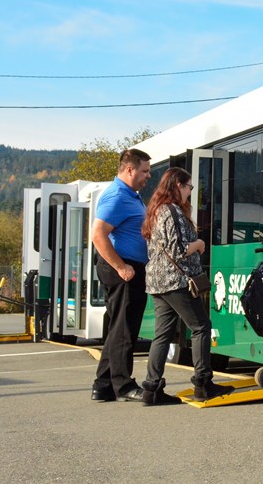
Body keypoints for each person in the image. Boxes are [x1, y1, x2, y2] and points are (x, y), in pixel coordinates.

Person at [140, 167, 234, 404]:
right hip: (176, 281)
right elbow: (178, 249)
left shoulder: (155, 210)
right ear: (178, 185)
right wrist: (199, 243)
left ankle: (151, 389)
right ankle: (203, 383)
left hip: (159, 283)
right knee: (201, 326)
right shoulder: (171, 211)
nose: (190, 192)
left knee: (162, 335)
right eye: (189, 187)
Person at [90, 148, 152, 403]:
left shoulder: (131, 195)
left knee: (118, 328)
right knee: (125, 329)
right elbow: (98, 235)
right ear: (129, 169)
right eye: (145, 171)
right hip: (124, 268)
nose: (148, 176)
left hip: (130, 266)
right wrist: (120, 267)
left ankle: (103, 385)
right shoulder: (116, 196)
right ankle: (124, 385)